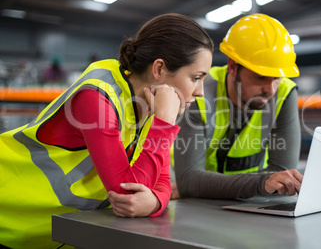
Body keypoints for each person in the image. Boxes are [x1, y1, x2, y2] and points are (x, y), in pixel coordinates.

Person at [0, 13, 214, 249]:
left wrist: (154, 201)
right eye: (196, 78)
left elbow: (162, 182)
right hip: (8, 210)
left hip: (48, 232)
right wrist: (163, 122)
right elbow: (127, 194)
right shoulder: (97, 97)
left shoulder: (154, 104)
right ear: (159, 69)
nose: (200, 92)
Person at [171, 13, 303, 200]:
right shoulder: (199, 94)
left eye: (276, 78)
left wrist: (206, 185)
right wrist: (261, 182)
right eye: (260, 77)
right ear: (232, 67)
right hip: (194, 207)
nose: (270, 90)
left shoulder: (285, 93)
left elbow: (282, 173)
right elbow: (189, 180)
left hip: (248, 205)